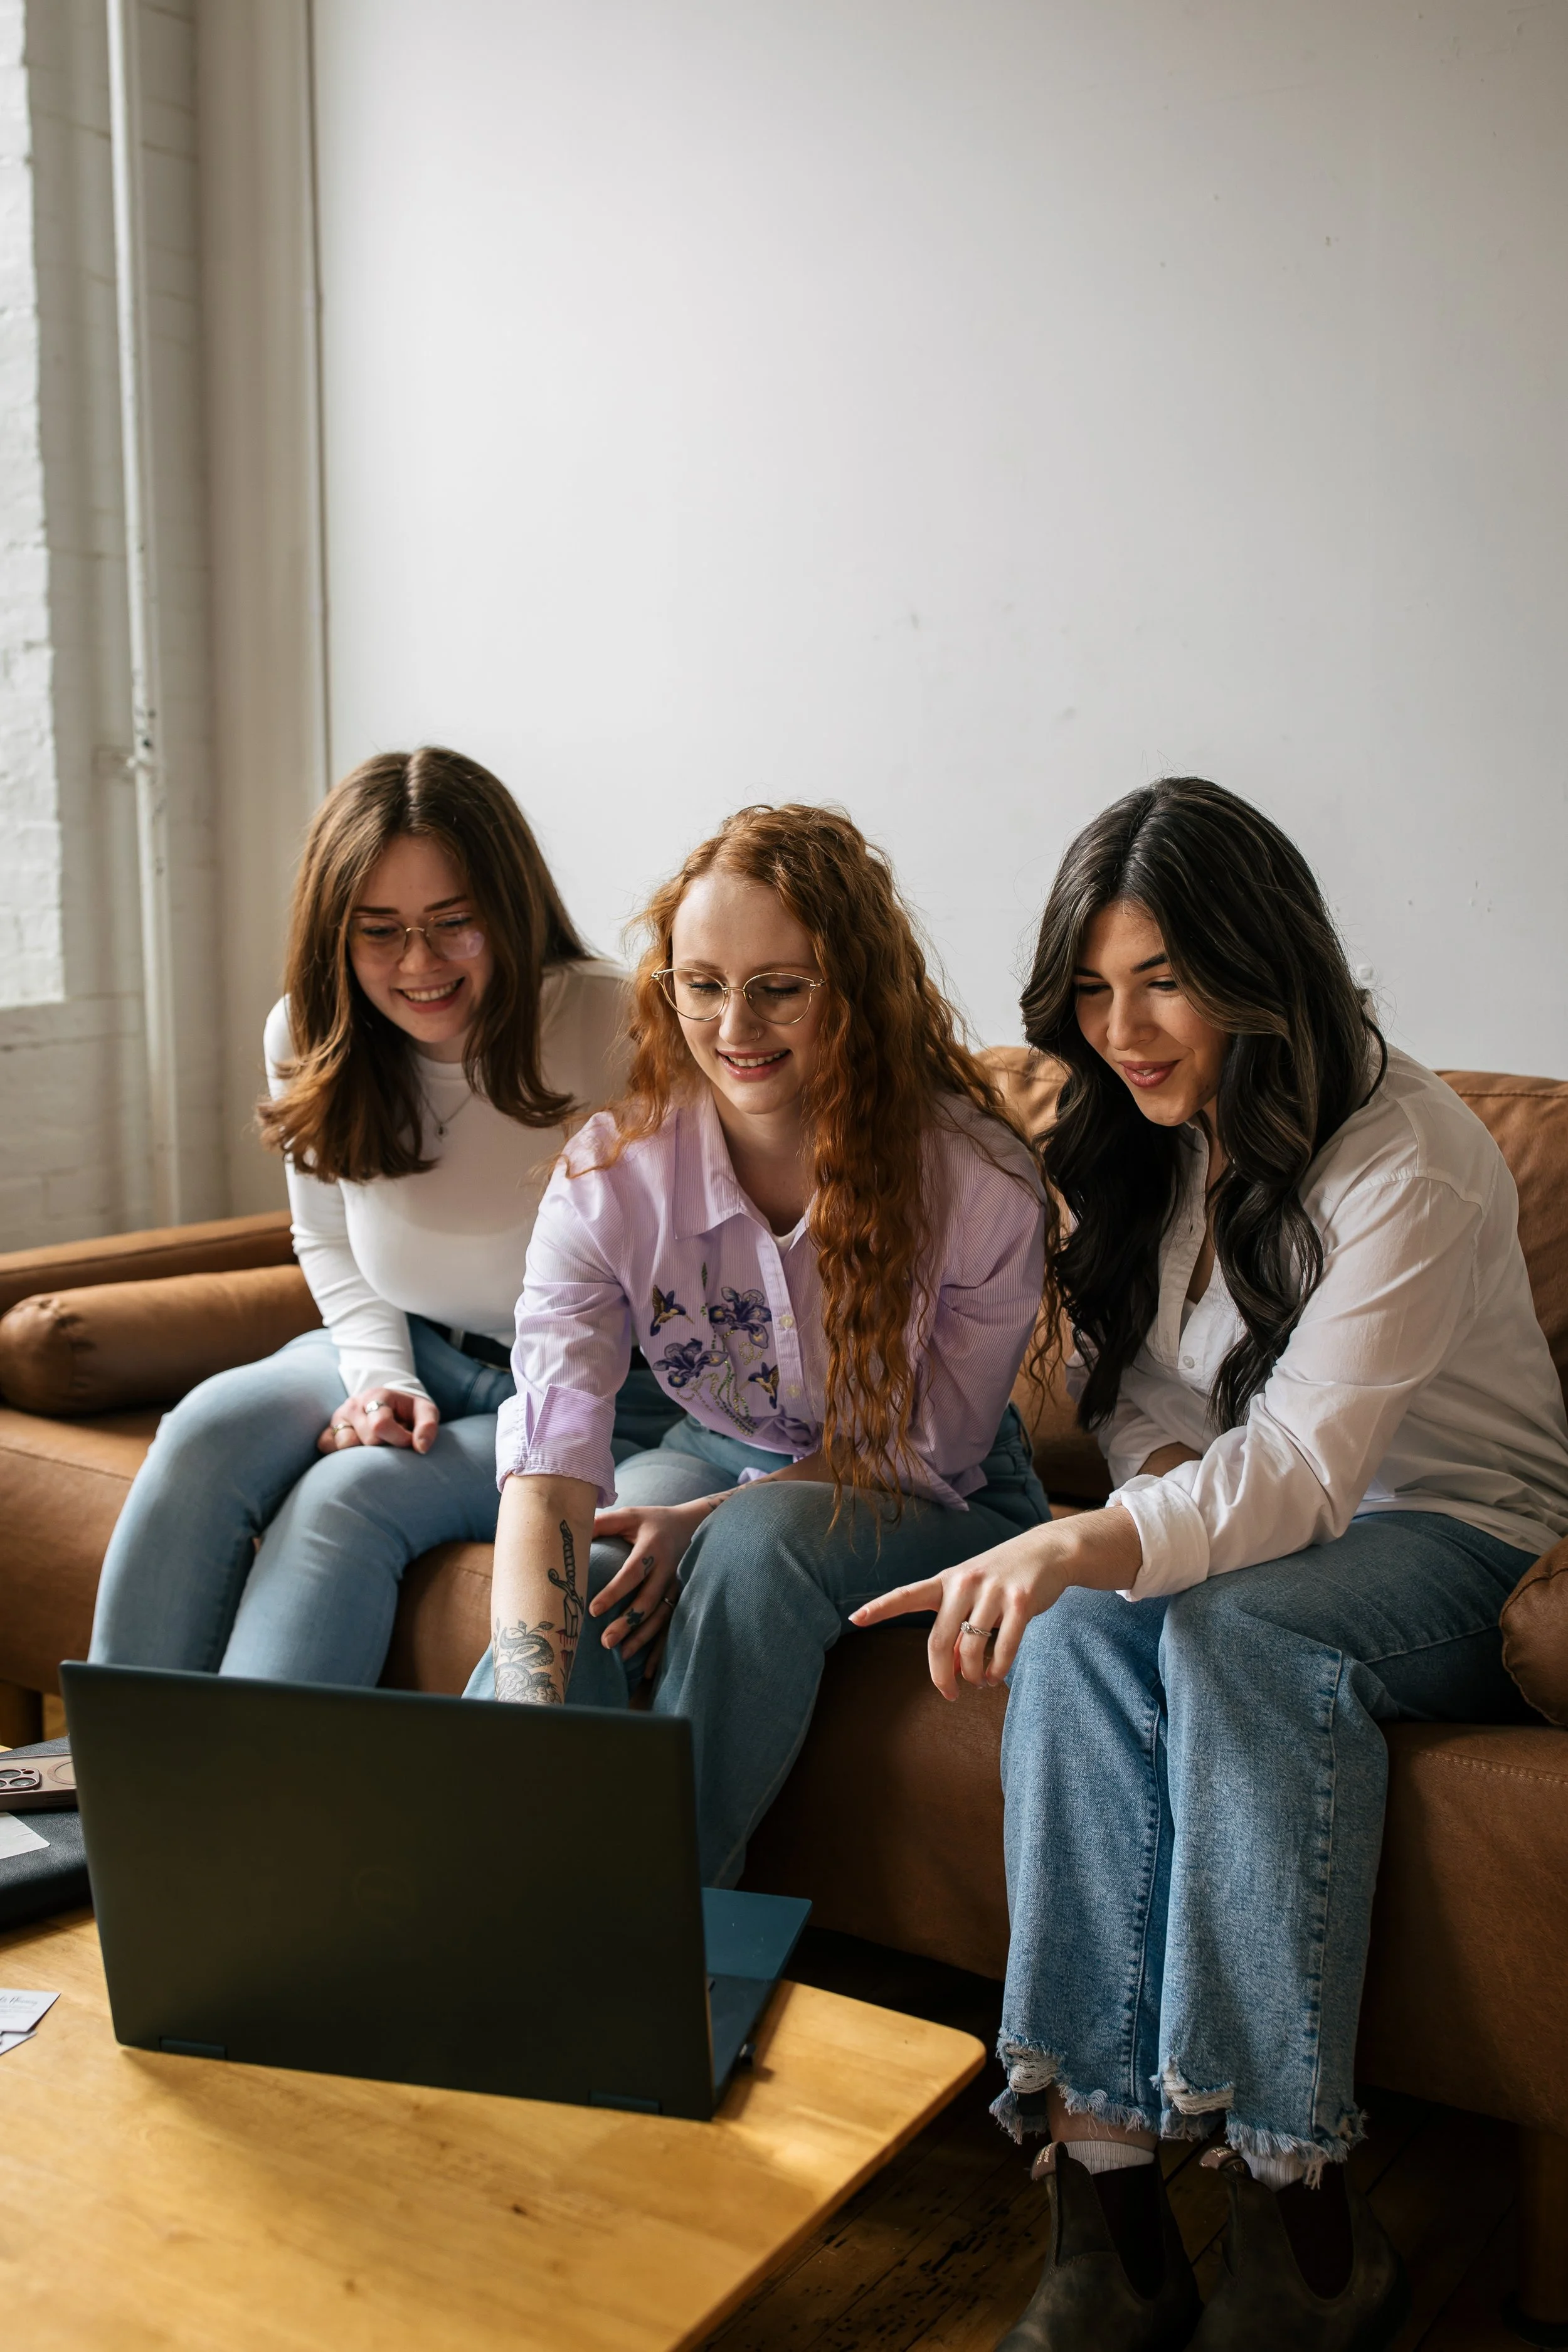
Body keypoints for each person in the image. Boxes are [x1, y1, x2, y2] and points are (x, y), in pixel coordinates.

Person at [854, 778, 1568, 2350]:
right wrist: (1124, 1522)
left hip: (1456, 1536)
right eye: (1095, 989)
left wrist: (1098, 1537)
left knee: (1226, 1633)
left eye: (1161, 979)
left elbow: (1313, 1466)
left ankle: (1295, 2219)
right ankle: (1105, 2200)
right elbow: (1157, 1411)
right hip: (1261, 1534)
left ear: (1259, 963)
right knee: (1089, 1632)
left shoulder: (1414, 1154)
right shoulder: (1153, 1133)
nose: (1123, 1027)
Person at [468, 802, 1047, 1897]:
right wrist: (527, 1731)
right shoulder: (611, 1175)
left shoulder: (978, 1184)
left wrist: (701, 1521)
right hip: (716, 1443)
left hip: (942, 1486)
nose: (736, 1022)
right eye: (702, 983)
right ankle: (501, 1906)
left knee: (758, 1543)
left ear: (857, 989)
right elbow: (548, 1461)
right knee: (585, 1577)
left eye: (780, 986)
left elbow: (922, 1446)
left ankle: (655, 1937)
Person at [90, 746, 675, 1685]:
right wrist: (376, 1380)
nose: (419, 963)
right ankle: (117, 1797)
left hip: (587, 1391)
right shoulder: (308, 1029)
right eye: (380, 930)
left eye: (455, 923)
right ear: (335, 932)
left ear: (511, 909)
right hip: (412, 1343)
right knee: (205, 1429)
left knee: (350, 1492)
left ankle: (260, 1818)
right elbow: (325, 1236)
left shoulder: (615, 1020)